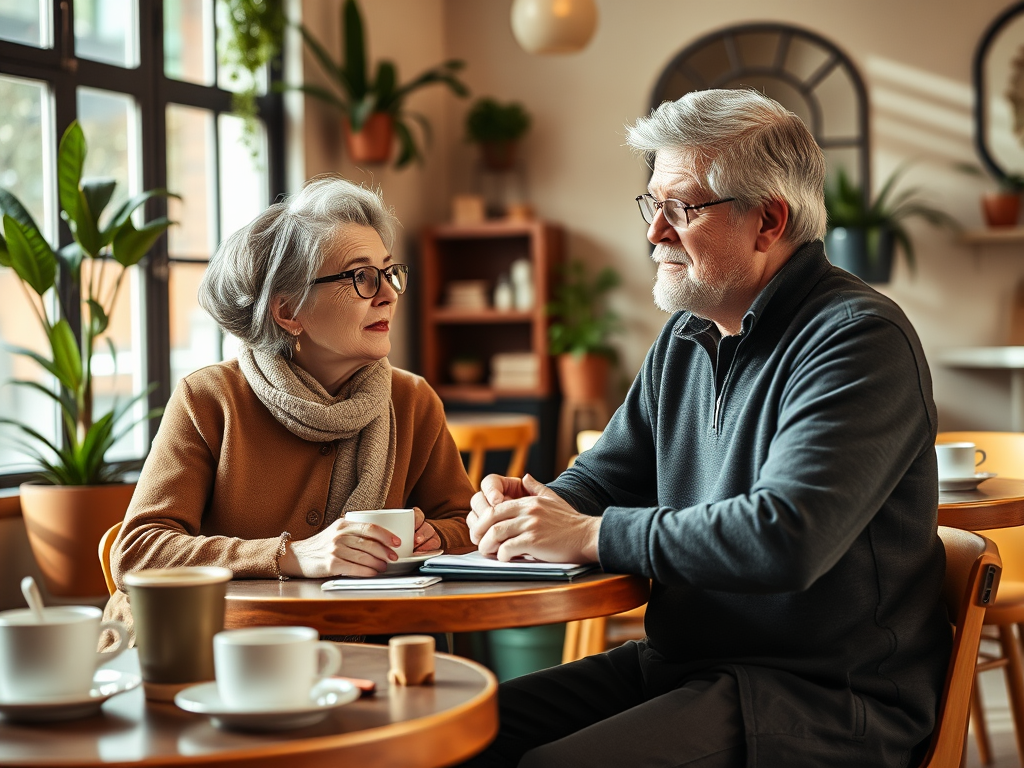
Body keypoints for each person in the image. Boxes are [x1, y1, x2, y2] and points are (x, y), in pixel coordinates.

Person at [463, 90, 949, 768]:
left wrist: (588, 535)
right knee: (457, 738)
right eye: (652, 204)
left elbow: (787, 536)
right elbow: (607, 474)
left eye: (682, 208)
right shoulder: (686, 335)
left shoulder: (859, 339)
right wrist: (534, 506)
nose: (654, 231)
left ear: (768, 221)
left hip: (826, 699)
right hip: (687, 665)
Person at [103, 176, 474, 645]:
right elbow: (139, 552)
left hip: (362, 651)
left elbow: (464, 522)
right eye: (361, 276)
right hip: (225, 655)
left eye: (389, 272)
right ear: (287, 310)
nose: (388, 294)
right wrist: (289, 556)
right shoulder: (209, 398)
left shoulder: (413, 401)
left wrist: (434, 538)